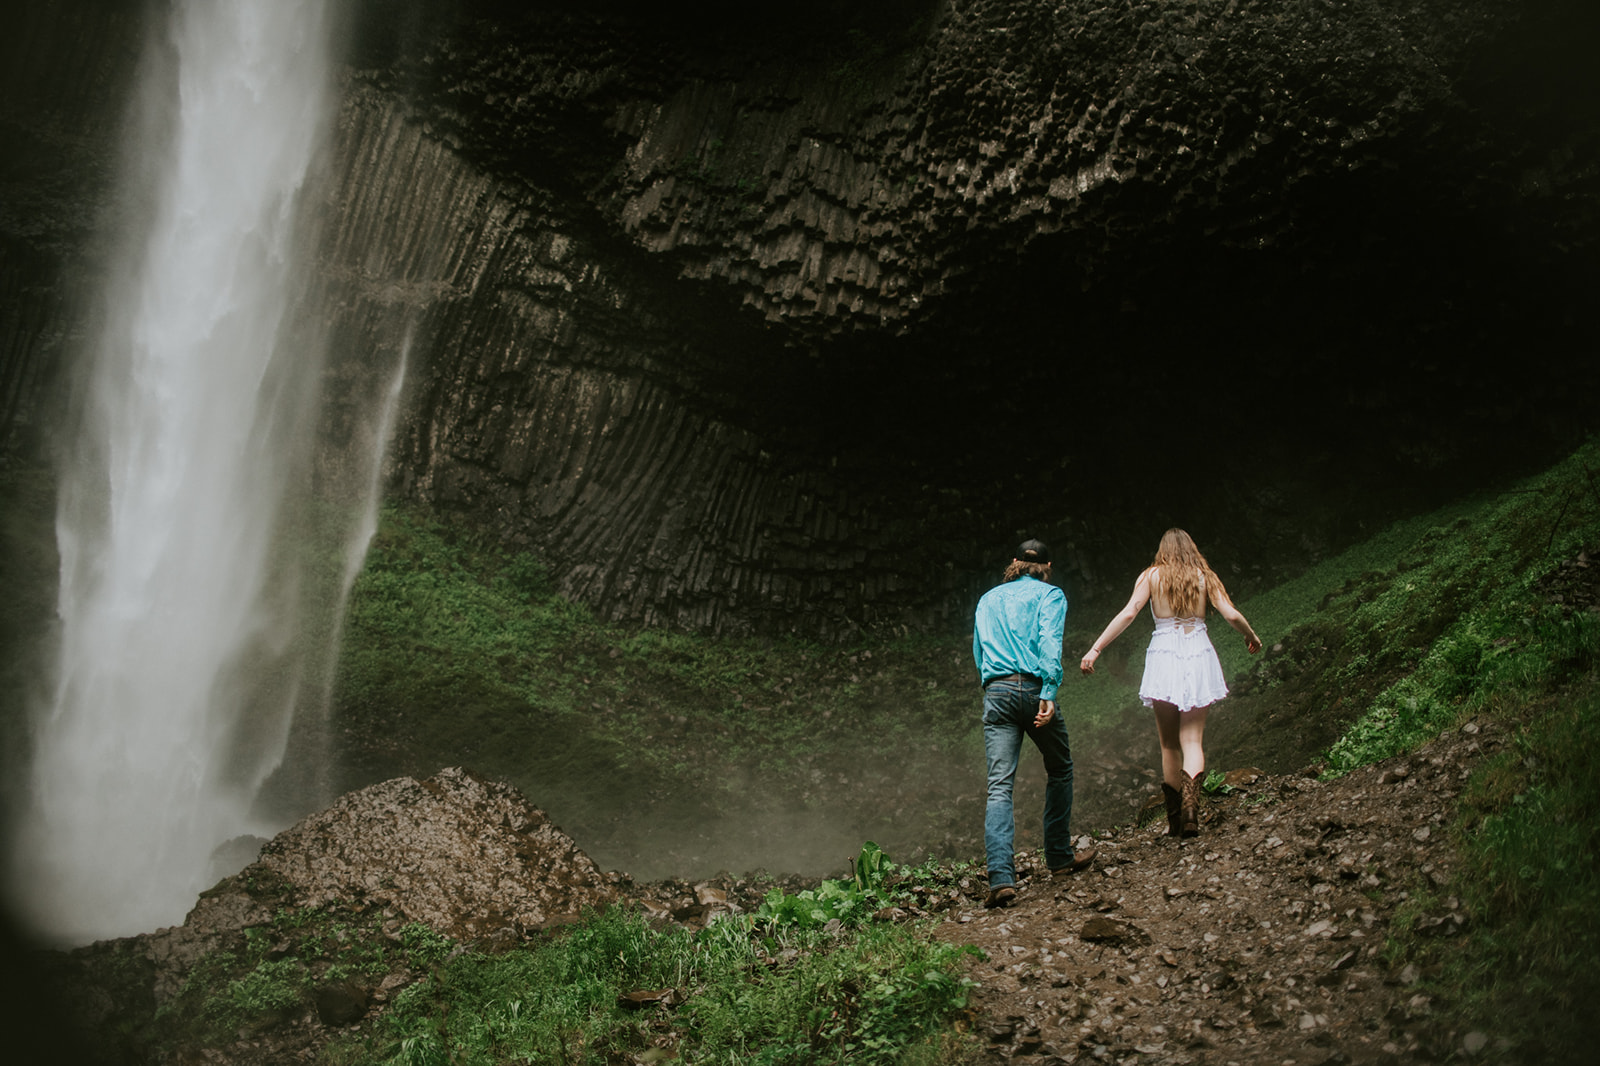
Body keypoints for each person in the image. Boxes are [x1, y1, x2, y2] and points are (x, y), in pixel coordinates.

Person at [1079, 529, 1261, 838]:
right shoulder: (1205, 576)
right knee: (1192, 741)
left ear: (1162, 550)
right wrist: (1249, 634)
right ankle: (1192, 808)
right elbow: (1229, 612)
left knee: (1168, 743)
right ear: (1192, 548)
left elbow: (1129, 613)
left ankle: (1176, 818)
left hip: (1164, 654)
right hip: (1198, 651)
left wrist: (1097, 648)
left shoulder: (1151, 576)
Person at [973, 538, 1095, 908]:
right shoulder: (1050, 595)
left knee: (999, 785)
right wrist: (1049, 690)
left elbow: (979, 651)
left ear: (1014, 563)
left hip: (997, 692)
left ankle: (1001, 878)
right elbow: (1048, 640)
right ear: (1047, 567)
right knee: (1060, 768)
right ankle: (1058, 856)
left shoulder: (987, 599)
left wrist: (994, 685)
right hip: (1033, 687)